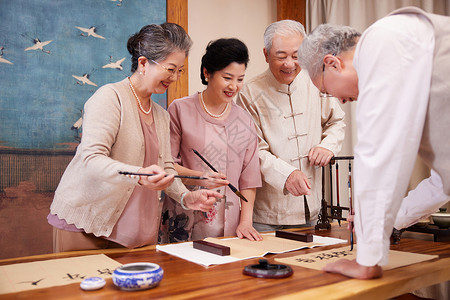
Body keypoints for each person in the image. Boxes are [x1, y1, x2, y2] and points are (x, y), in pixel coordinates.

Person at [297, 7, 450, 279]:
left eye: (325, 90)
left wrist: (367, 259)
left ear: (332, 63)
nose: (338, 100)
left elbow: (377, 153)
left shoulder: (383, 40)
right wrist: (387, 219)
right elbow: (443, 182)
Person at [47, 23, 222, 252]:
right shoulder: (110, 98)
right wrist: (138, 175)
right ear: (143, 63)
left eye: (180, 70)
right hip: (85, 224)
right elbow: (91, 159)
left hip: (131, 233)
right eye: (170, 69)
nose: (176, 78)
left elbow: (165, 166)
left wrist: (186, 197)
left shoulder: (160, 114)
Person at [237, 20, 345, 232]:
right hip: (268, 214)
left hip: (314, 208)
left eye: (296, 56)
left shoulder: (315, 80)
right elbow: (252, 151)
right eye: (281, 56)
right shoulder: (249, 93)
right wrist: (285, 174)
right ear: (266, 54)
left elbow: (337, 121)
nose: (289, 63)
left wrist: (328, 146)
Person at [160, 38, 263, 243]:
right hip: (183, 217)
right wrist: (200, 177)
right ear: (207, 73)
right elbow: (166, 165)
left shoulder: (244, 120)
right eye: (227, 78)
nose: (234, 86)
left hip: (230, 225)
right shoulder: (180, 110)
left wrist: (246, 221)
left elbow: (249, 178)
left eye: (240, 79)